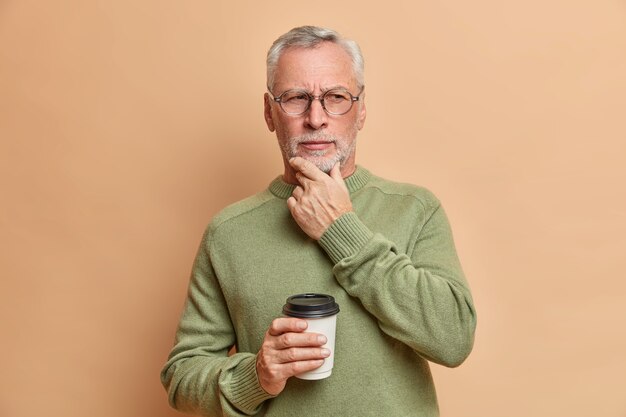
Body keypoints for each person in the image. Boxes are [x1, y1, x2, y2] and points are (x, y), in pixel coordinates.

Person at [161, 25, 476, 417]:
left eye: (336, 98)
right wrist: (255, 376)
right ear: (269, 112)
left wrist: (342, 232)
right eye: (296, 98)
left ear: (360, 111)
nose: (316, 118)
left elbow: (454, 339)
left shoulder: (415, 209)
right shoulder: (228, 232)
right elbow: (181, 377)